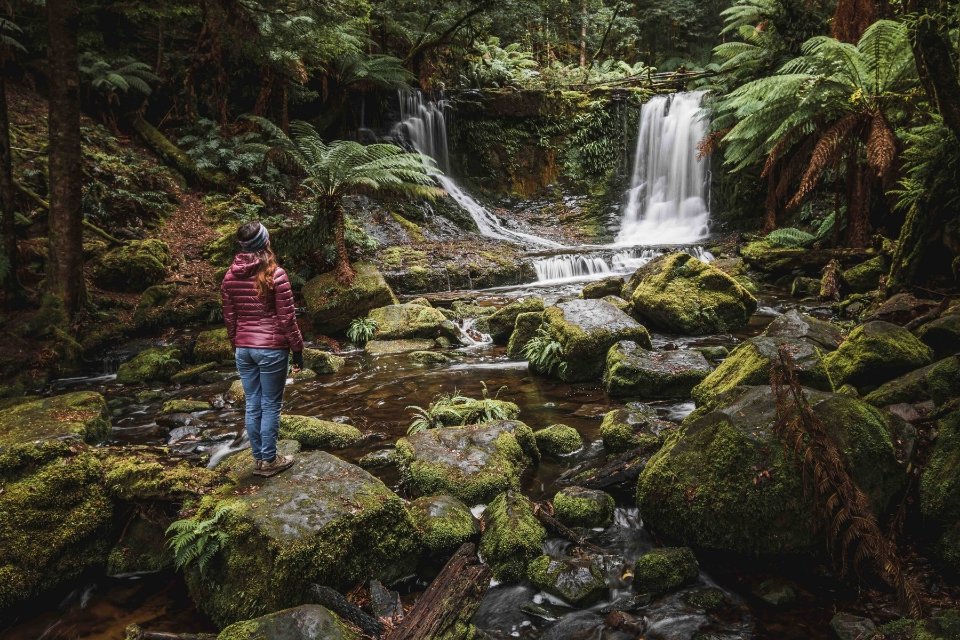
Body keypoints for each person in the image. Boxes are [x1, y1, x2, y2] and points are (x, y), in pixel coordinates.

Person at [221, 221, 304, 477]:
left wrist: (237, 343)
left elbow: (230, 317)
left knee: (253, 404)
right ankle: (270, 460)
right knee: (270, 404)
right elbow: (287, 318)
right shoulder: (275, 274)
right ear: (265, 243)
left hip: (244, 349)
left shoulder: (229, 276)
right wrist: (298, 349)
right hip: (271, 349)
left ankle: (259, 458)